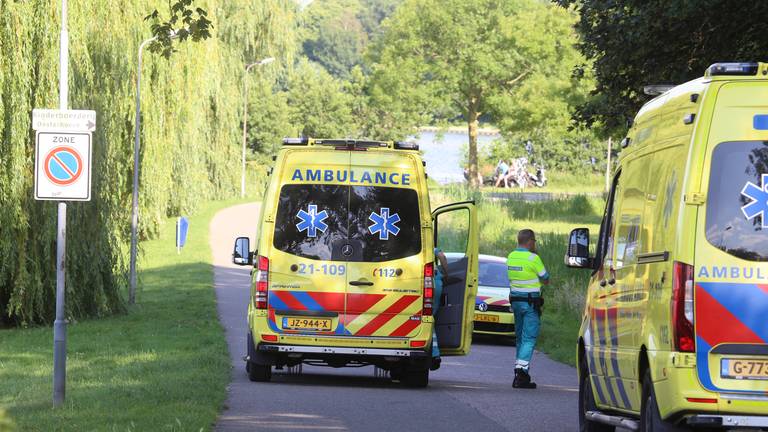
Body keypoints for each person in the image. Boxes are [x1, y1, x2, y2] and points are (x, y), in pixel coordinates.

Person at [507, 229, 549, 389]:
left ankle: (519, 373)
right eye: (534, 241)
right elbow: (545, 278)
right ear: (530, 241)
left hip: (516, 302)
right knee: (529, 338)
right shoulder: (534, 258)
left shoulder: (511, 256)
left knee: (520, 337)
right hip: (531, 303)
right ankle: (521, 371)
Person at [430, 247, 449, 370]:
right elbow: (442, 256)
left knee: (425, 319)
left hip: (423, 282)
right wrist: (446, 273)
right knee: (430, 317)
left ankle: (434, 353)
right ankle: (434, 354)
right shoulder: (430, 246)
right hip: (436, 281)